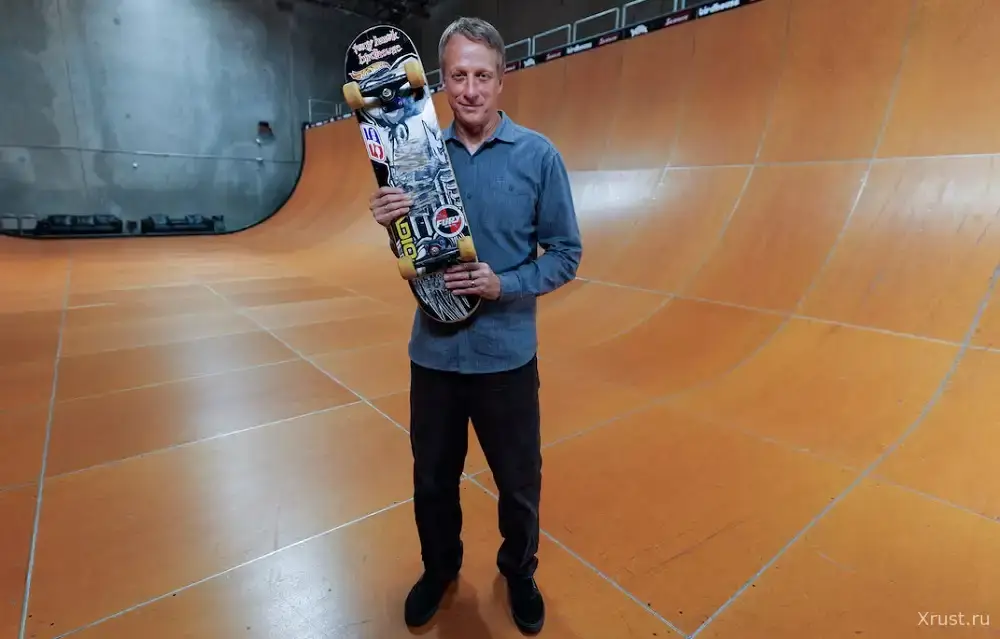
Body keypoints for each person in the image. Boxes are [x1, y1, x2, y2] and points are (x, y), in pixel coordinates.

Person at [368, 15, 582, 635]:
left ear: (501, 79)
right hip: (434, 355)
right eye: (458, 75)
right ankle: (440, 570)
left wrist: (503, 284)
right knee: (433, 479)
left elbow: (566, 254)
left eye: (482, 75)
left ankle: (519, 572)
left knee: (518, 482)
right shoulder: (414, 156)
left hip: (506, 357)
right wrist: (391, 222)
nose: (470, 89)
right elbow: (414, 252)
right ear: (441, 81)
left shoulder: (538, 156)